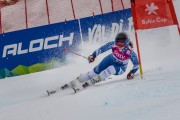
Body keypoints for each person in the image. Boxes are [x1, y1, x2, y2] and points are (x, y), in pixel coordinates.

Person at [62, 32, 139, 91]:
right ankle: (77, 81)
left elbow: (137, 64)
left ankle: (93, 81)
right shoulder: (113, 44)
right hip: (110, 59)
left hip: (120, 67)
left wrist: (132, 72)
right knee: (95, 71)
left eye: (121, 44)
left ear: (126, 43)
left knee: (111, 69)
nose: (119, 45)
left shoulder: (130, 52)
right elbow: (102, 49)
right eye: (117, 43)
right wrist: (93, 56)